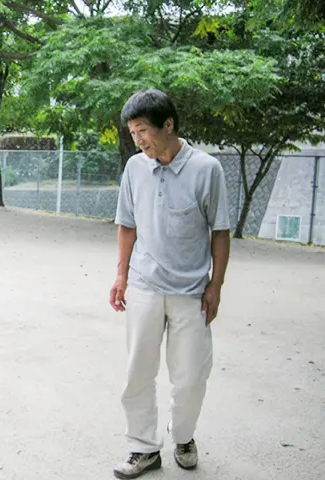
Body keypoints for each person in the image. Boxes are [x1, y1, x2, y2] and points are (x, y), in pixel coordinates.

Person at [110, 88, 231, 479]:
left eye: (143, 130)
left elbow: (220, 231)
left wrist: (216, 286)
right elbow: (127, 224)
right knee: (138, 372)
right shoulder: (134, 168)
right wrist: (121, 274)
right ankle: (143, 448)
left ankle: (183, 437)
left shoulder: (206, 169)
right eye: (133, 133)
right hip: (145, 286)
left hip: (191, 292)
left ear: (169, 124)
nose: (139, 139)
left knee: (191, 377)